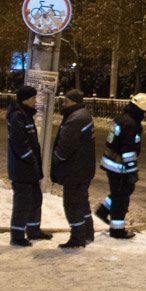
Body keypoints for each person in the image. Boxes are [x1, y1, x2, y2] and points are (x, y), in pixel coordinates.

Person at [96, 92, 146, 239]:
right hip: (119, 165)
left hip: (110, 162)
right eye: (145, 112)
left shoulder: (122, 118)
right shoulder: (131, 124)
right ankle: (117, 230)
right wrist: (132, 172)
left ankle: (103, 211)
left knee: (120, 192)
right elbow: (128, 151)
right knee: (121, 198)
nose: (145, 116)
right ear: (141, 109)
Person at [50, 89, 96, 249]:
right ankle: (88, 233)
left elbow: (65, 147)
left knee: (72, 204)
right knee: (82, 202)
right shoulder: (84, 115)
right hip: (84, 169)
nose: (63, 104)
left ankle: (77, 238)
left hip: (75, 171)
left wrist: (56, 158)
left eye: (66, 101)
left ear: (74, 102)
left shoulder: (75, 119)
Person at [7, 85, 51, 246]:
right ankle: (17, 236)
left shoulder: (25, 115)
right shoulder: (18, 116)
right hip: (22, 169)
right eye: (33, 98)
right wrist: (31, 159)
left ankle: (33, 230)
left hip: (29, 169)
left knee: (35, 199)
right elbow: (20, 144)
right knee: (22, 203)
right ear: (26, 99)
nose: (35, 100)